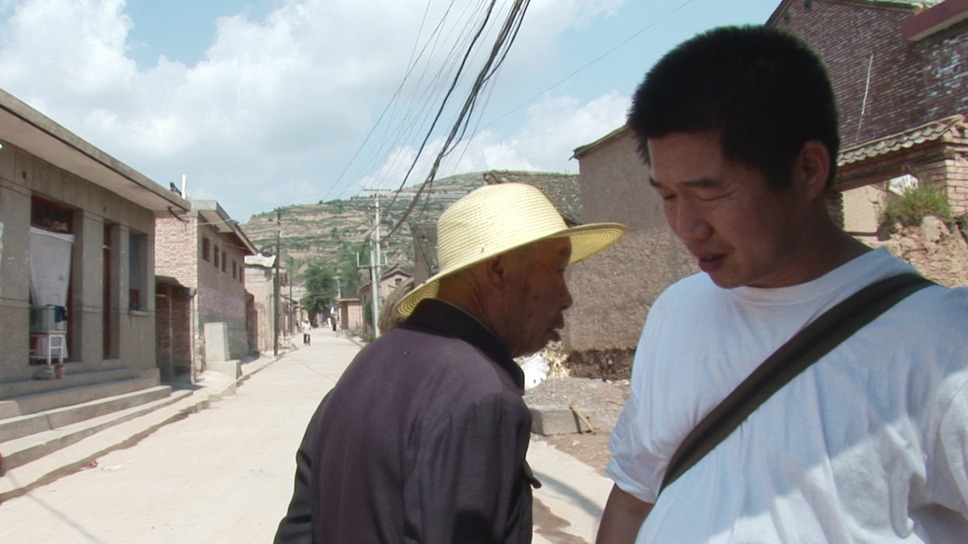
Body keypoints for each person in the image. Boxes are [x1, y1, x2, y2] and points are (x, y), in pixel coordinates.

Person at [597, 25, 968, 543]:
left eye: (710, 192)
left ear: (809, 169)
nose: (686, 227)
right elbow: (636, 495)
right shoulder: (675, 312)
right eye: (667, 196)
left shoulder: (944, 347)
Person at [275, 182, 625, 543]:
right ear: (498, 270)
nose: (566, 297)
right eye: (557, 270)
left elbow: (299, 530)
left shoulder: (369, 362)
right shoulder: (481, 399)